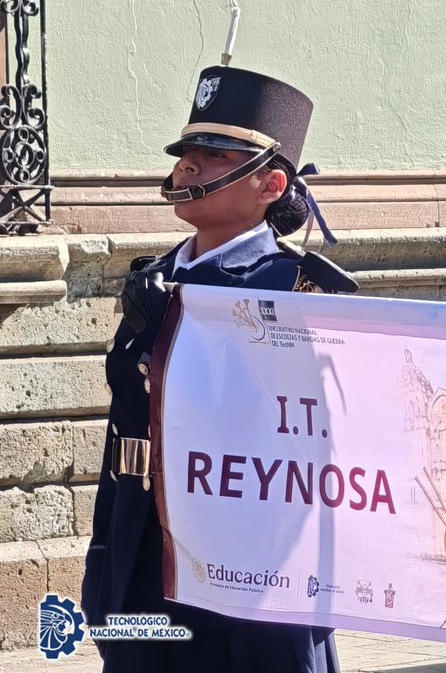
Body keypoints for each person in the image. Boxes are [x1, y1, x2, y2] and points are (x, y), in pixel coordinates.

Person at [82, 64, 356, 672]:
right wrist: (108, 562)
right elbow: (124, 429)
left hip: (252, 565)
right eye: (185, 153)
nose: (188, 166)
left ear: (269, 184)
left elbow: (310, 434)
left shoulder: (297, 288)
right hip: (146, 551)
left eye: (214, 154)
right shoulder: (154, 278)